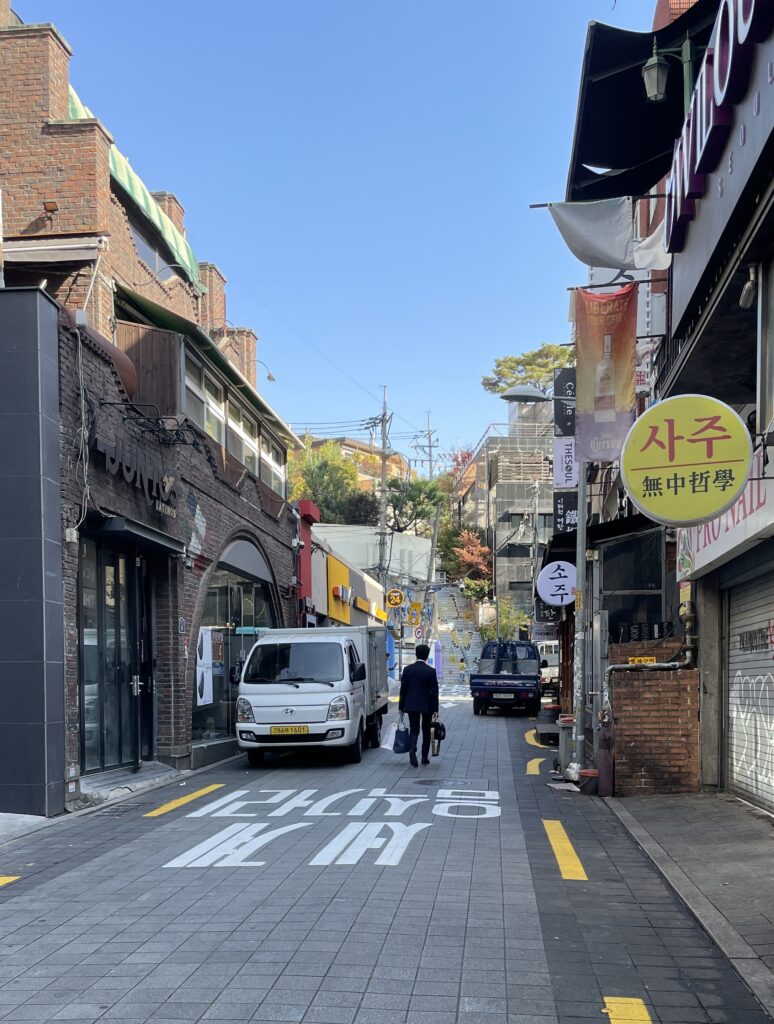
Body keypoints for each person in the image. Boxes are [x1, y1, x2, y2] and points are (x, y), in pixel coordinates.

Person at [399, 643, 440, 767]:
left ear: (416, 655)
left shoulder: (407, 670)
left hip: (411, 704)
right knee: (426, 730)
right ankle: (424, 757)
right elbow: (434, 692)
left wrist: (401, 707)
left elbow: (403, 689)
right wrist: (436, 709)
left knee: (414, 728)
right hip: (427, 706)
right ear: (427, 656)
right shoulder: (431, 671)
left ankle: (412, 749)